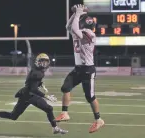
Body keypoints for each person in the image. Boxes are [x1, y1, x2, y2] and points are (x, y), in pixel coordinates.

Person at [0, 53, 68, 135]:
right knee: (47, 109)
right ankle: (55, 128)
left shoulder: (37, 70)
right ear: (38, 62)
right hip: (29, 95)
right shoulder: (37, 73)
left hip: (26, 94)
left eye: (46, 62)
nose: (44, 64)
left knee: (15, 116)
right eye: (42, 62)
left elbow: (32, 83)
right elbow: (34, 89)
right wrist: (46, 96)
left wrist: (41, 84)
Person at [55, 5, 105, 133]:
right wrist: (74, 14)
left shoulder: (89, 34)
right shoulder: (79, 31)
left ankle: (99, 120)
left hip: (88, 70)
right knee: (65, 88)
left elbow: (74, 29)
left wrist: (77, 13)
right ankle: (65, 113)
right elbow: (68, 27)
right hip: (78, 68)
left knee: (90, 96)